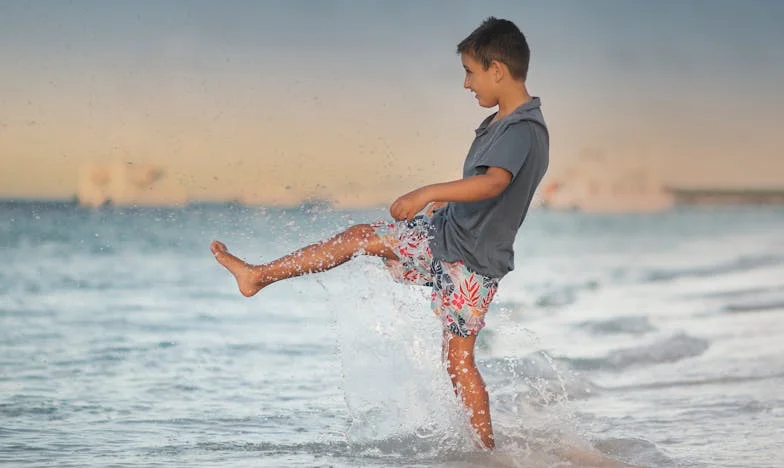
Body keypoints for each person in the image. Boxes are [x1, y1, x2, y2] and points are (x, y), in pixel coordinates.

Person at [210, 16, 549, 449]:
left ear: (497, 69)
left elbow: (496, 182)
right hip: (450, 239)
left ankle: (487, 452)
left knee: (458, 359)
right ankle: (258, 275)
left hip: (472, 261)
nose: (467, 84)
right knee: (359, 238)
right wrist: (450, 202)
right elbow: (491, 188)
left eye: (470, 71)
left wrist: (427, 191)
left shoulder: (522, 128)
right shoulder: (507, 124)